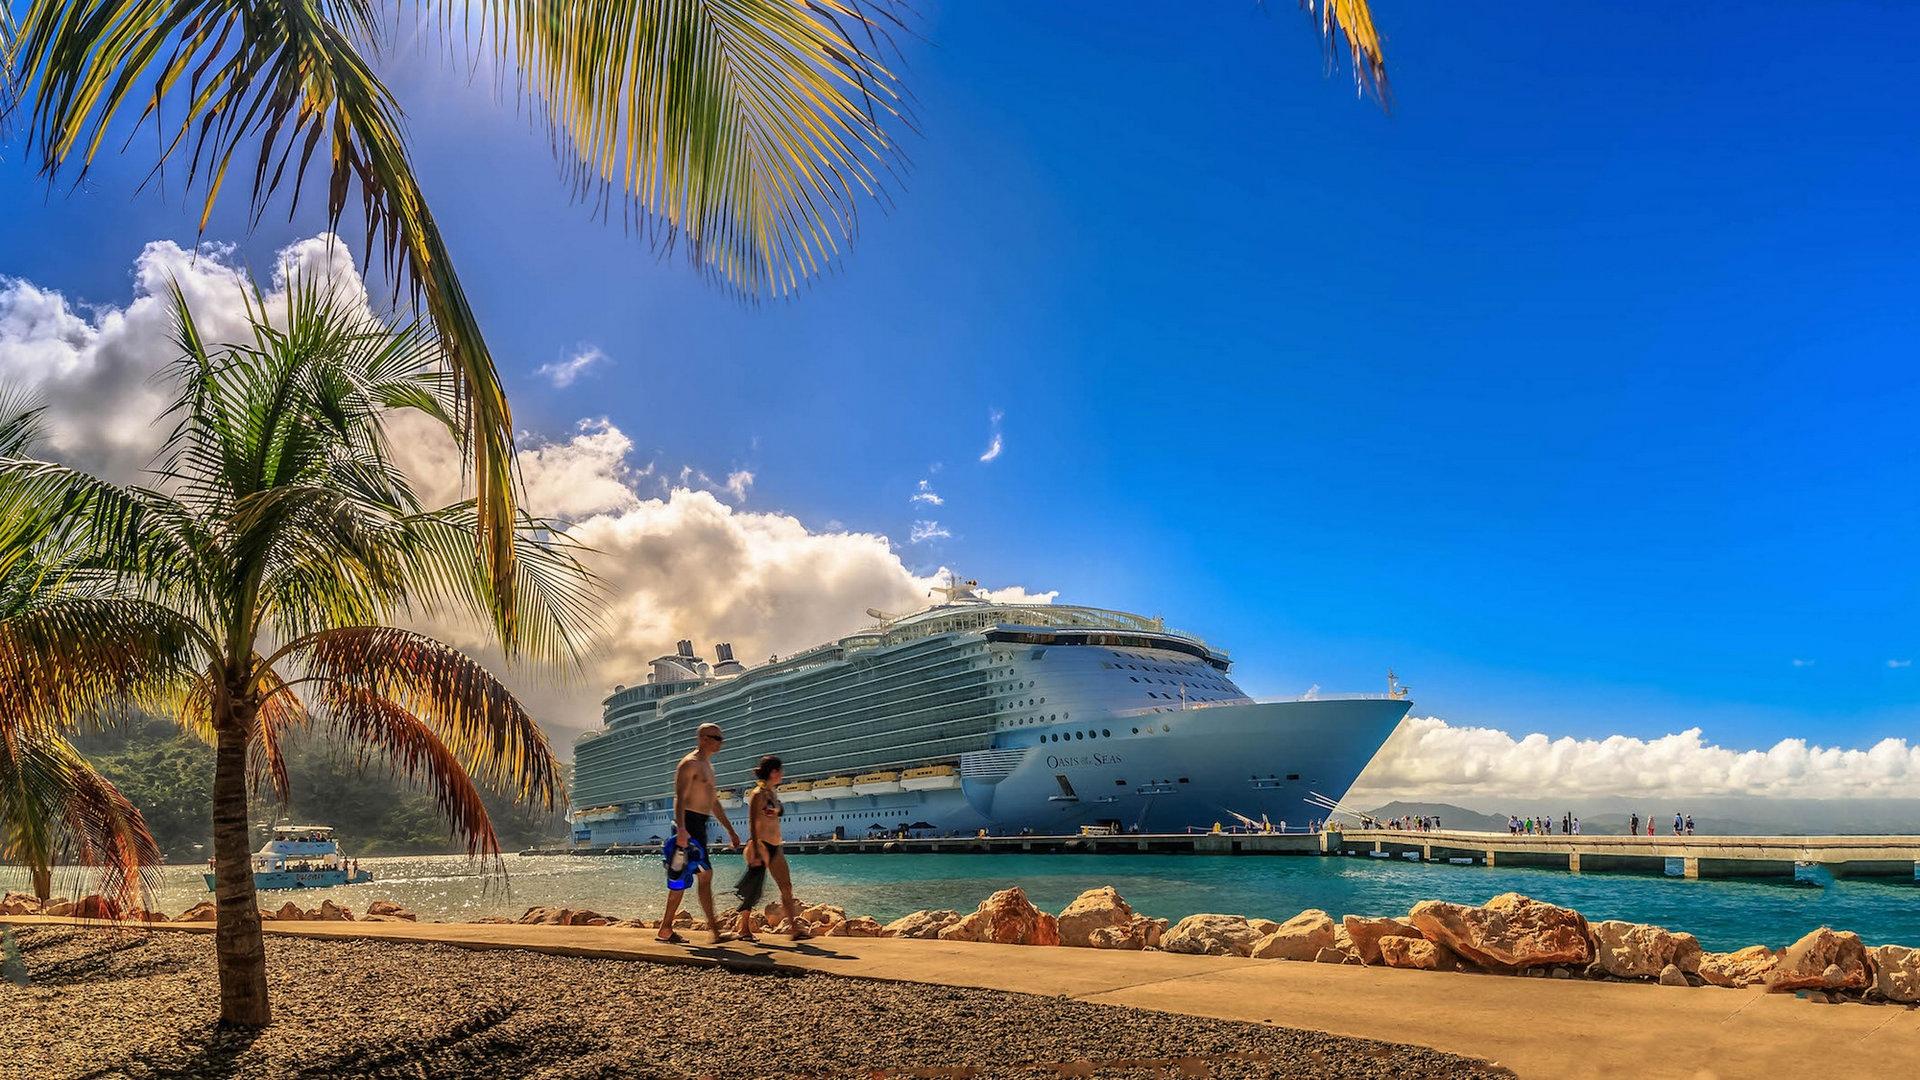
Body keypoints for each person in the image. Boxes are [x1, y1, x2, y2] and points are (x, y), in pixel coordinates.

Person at [657, 722, 742, 945]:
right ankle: (713, 933)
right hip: (688, 826)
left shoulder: (707, 766)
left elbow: (713, 803)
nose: (720, 742)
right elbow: (679, 798)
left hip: (699, 826)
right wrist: (683, 829)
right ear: (703, 738)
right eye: (717, 738)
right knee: (694, 877)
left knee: (684, 880)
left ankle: (666, 929)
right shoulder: (690, 764)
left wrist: (731, 831)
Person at [731, 755, 809, 942]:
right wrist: (756, 848)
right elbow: (752, 821)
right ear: (773, 772)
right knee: (753, 889)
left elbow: (776, 813)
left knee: (786, 886)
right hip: (761, 845)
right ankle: (743, 928)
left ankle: (793, 929)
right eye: (780, 770)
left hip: (775, 845)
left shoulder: (772, 793)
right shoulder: (757, 793)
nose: (782, 774)